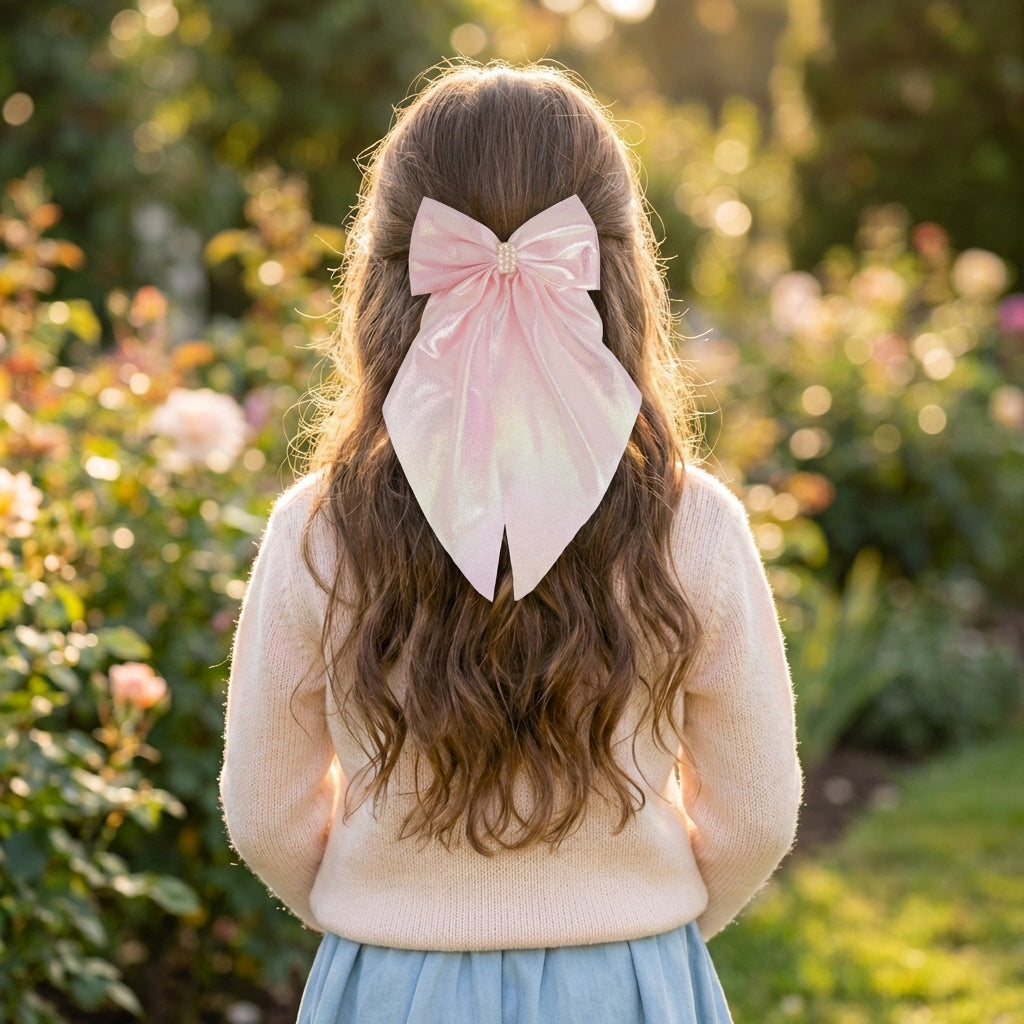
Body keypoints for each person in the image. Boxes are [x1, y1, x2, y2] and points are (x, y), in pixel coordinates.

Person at [220, 61, 802, 1024]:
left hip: (394, 981)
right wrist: (640, 920)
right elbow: (755, 814)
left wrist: (385, 904)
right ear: (619, 268)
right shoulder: (693, 523)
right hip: (627, 981)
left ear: (385, 265)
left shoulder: (319, 531)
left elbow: (264, 811)